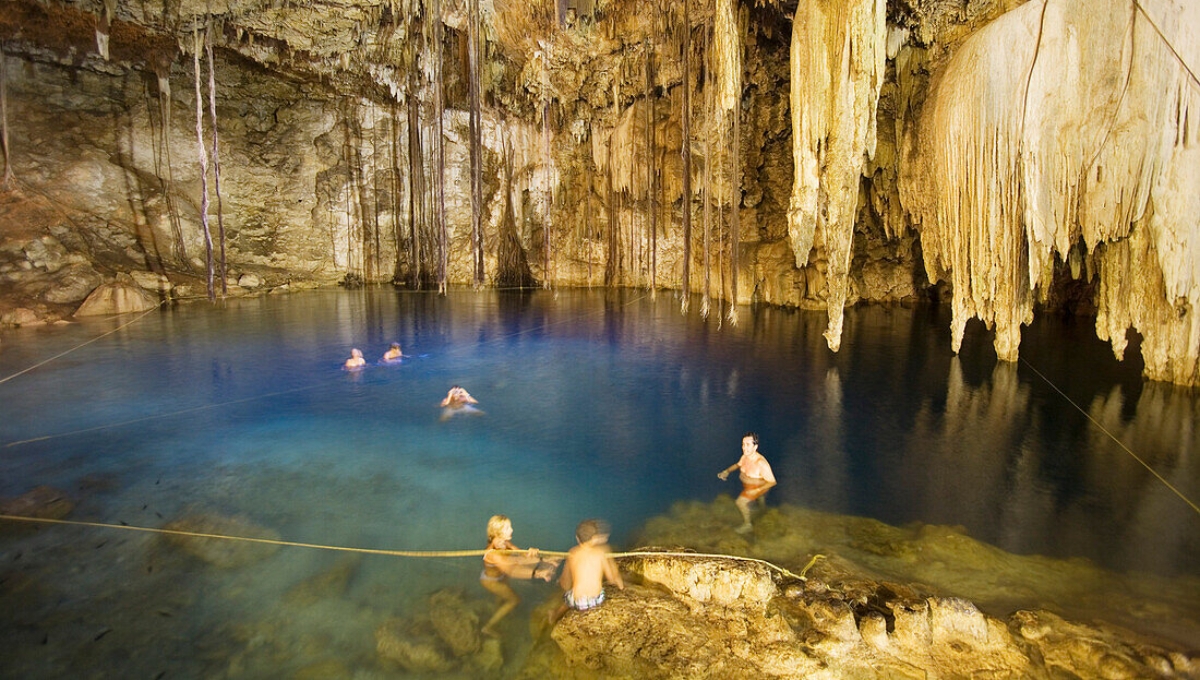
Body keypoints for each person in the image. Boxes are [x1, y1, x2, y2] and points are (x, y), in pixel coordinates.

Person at [479, 515, 558, 637]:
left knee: (502, 596)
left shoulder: (504, 543)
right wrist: (538, 574)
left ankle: (498, 608)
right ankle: (487, 627)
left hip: (502, 577)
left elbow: (521, 556)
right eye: (507, 528)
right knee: (515, 600)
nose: (511, 530)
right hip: (491, 581)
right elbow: (511, 571)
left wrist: (542, 558)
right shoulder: (493, 554)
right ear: (497, 532)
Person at [550, 519, 624, 623]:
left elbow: (565, 583)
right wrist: (620, 585)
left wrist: (562, 582)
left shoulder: (572, 553)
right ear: (595, 539)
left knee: (568, 601)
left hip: (577, 602)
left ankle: (554, 616)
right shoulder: (601, 553)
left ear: (577, 538)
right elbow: (611, 578)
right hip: (596, 600)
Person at [717, 432, 777, 534]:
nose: (744, 447)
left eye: (748, 445)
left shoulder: (761, 463)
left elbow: (772, 482)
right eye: (743, 444)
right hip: (750, 486)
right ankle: (763, 510)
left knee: (740, 502)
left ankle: (748, 524)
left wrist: (756, 490)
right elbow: (738, 465)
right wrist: (726, 471)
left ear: (755, 447)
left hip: (757, 486)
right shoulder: (745, 456)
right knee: (760, 502)